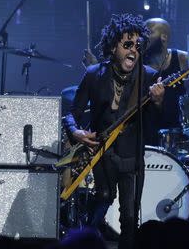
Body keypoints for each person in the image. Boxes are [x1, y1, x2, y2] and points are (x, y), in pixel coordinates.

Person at [64, 13, 165, 248]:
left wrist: (158, 102)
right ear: (112, 47)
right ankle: (85, 240)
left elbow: (154, 123)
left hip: (132, 157)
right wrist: (75, 132)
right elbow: (72, 113)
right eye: (127, 44)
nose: (133, 50)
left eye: (137, 45)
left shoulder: (149, 77)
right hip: (102, 154)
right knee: (103, 199)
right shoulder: (93, 75)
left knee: (130, 218)